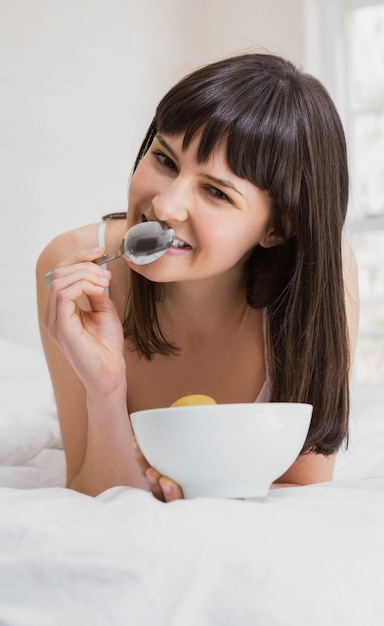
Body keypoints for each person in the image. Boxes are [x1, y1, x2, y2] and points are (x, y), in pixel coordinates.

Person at [36, 52, 359, 502]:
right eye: (165, 160)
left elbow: (302, 489)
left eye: (215, 192)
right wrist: (105, 388)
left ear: (278, 228)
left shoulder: (321, 278)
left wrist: (197, 485)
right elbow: (92, 493)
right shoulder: (75, 267)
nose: (165, 206)